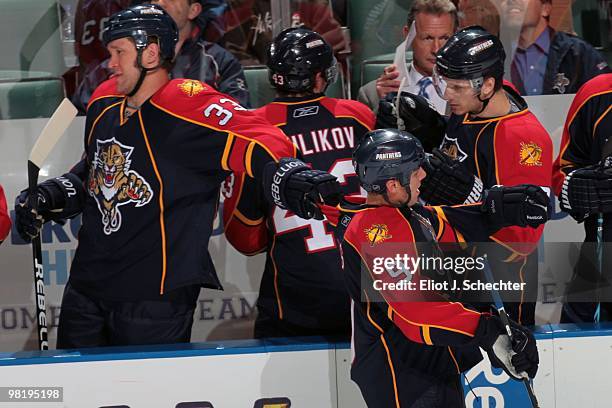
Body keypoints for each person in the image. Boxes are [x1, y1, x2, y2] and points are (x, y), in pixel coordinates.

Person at [13, 4, 338, 349]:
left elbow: (264, 138)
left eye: (119, 53)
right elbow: (94, 173)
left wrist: (286, 174)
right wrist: (55, 194)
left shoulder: (188, 102)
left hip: (154, 297)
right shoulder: (103, 99)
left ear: (151, 53)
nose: (110, 64)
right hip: (87, 286)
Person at [334, 128, 545, 407]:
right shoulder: (375, 231)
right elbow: (416, 313)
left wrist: (498, 209)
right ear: (393, 185)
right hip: (404, 379)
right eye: (414, 171)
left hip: (433, 367)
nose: (423, 175)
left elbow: (452, 226)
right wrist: (487, 329)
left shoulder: (410, 215)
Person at [222, 28, 375, 338]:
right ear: (320, 77)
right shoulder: (359, 116)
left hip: (294, 303)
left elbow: (245, 240)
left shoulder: (250, 130)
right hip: (368, 293)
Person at [403, 26, 552, 326]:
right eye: (444, 83)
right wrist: (434, 132)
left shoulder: (524, 140)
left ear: (487, 86)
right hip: (453, 271)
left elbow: (522, 241)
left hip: (499, 290)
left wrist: (472, 199)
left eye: (456, 87)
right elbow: (459, 155)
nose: (446, 94)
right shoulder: (470, 104)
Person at [72, 0, 250, 113]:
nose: (160, 3)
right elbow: (77, 121)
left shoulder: (219, 62)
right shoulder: (110, 67)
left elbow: (238, 116)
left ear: (193, 10)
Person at [552, 73, 612, 323]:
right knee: (575, 352)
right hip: (601, 263)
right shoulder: (596, 93)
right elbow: (563, 170)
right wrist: (576, 187)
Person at [357, 0, 458, 114]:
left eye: (444, 38)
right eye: (427, 38)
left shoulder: (472, 92)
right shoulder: (371, 95)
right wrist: (383, 107)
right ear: (407, 35)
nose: (436, 50)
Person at [499, 0, 610, 95]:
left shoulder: (579, 53)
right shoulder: (493, 55)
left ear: (545, 8)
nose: (510, 0)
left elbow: (604, 100)